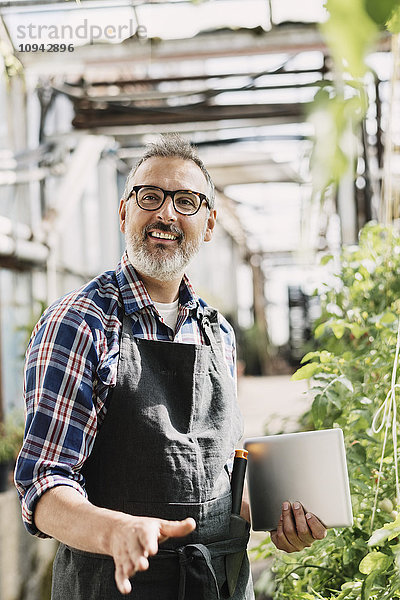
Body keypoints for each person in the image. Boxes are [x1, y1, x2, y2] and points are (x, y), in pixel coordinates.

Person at [15, 134, 326, 599]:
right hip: (114, 586)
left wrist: (275, 514)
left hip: (218, 584)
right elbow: (43, 485)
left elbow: (215, 471)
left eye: (185, 201)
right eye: (150, 196)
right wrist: (113, 531)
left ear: (209, 223)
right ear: (124, 211)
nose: (165, 214)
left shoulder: (216, 332)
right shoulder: (80, 323)